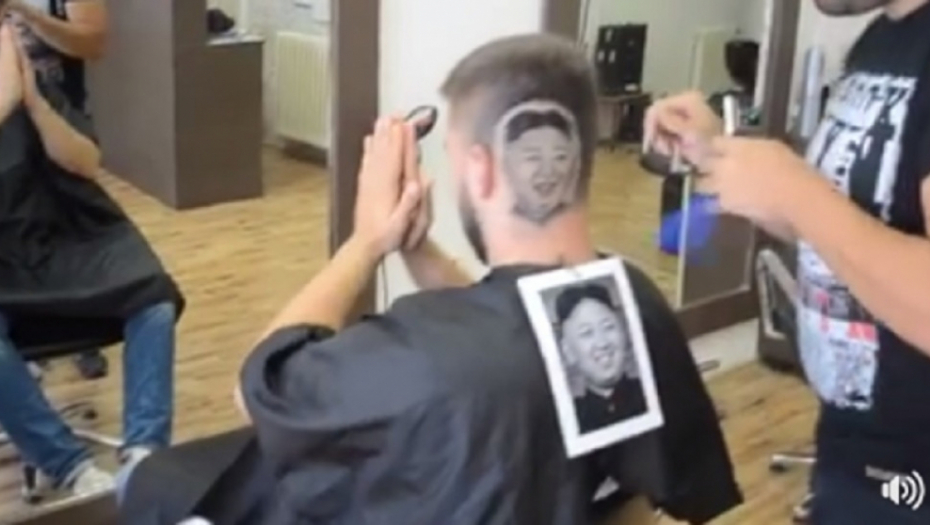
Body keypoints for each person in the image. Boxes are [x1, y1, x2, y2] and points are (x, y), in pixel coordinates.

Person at [119, 33, 740, 525]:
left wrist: (366, 243)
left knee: (148, 482)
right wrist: (417, 251)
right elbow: (515, 329)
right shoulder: (632, 301)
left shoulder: (414, 359)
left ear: (482, 169)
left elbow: (259, 385)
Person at [644, 1, 930, 523]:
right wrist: (721, 154)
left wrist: (798, 191)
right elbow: (843, 231)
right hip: (854, 456)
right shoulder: (880, 42)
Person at [0, 23, 183, 498]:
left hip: (61, 236)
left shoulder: (31, 82)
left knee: (153, 299)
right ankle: (70, 466)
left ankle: (145, 451)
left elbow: (85, 161)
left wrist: (35, 104)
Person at [5, 0, 110, 377]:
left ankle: (86, 332)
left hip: (61, 120)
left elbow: (92, 44)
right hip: (9, 131)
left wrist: (27, 13)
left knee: (72, 231)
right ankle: (28, 331)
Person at [556, 284, 648, 433]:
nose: (602, 343)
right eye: (586, 333)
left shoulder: (651, 393)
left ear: (624, 333)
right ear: (568, 352)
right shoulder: (570, 418)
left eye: (608, 327)